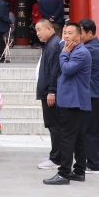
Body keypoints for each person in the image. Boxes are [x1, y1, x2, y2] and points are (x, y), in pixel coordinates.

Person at [44, 22, 91, 186]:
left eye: (70, 33)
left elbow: (67, 69)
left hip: (74, 101)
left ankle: (63, 172)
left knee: (67, 137)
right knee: (77, 138)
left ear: (79, 36)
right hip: (70, 99)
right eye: (64, 33)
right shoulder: (74, 50)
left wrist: (64, 53)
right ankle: (79, 170)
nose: (66, 36)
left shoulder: (80, 52)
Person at [79, 18, 99, 175]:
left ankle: (94, 164)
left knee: (89, 130)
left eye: (81, 33)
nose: (79, 36)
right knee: (98, 129)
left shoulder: (87, 50)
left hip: (91, 94)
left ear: (90, 32)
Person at [34, 18, 63, 170]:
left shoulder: (53, 45)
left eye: (39, 29)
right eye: (36, 30)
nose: (37, 33)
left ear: (49, 29)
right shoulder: (50, 44)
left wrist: (52, 91)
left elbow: (54, 71)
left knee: (55, 125)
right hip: (47, 91)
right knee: (53, 125)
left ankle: (56, 157)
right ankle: (56, 155)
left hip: (50, 92)